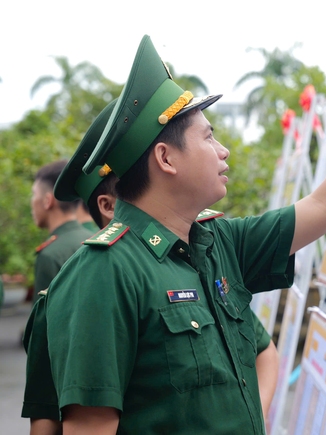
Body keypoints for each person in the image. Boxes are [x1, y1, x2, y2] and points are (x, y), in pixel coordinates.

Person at [44, 34, 326, 434]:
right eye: (209, 137)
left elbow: (324, 205)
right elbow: (90, 427)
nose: (223, 150)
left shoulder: (217, 243)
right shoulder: (104, 273)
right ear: (166, 158)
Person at [23, 99, 280, 433]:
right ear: (108, 206)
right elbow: (58, 418)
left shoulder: (194, 254)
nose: (222, 151)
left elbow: (261, 350)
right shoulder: (97, 274)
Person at [30, 160, 94, 301]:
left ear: (47, 201)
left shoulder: (50, 255)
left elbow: (42, 320)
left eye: (34, 194)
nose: (32, 202)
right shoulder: (95, 239)